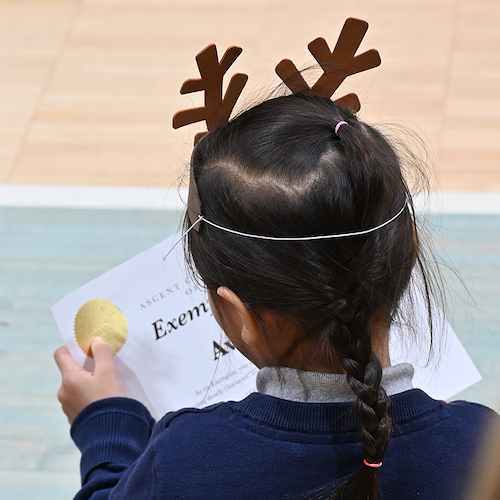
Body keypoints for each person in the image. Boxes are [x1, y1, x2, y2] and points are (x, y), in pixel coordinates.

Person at [55, 92, 496, 500]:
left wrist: (106, 426)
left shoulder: (181, 461)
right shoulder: (482, 448)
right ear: (411, 248)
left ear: (237, 312)